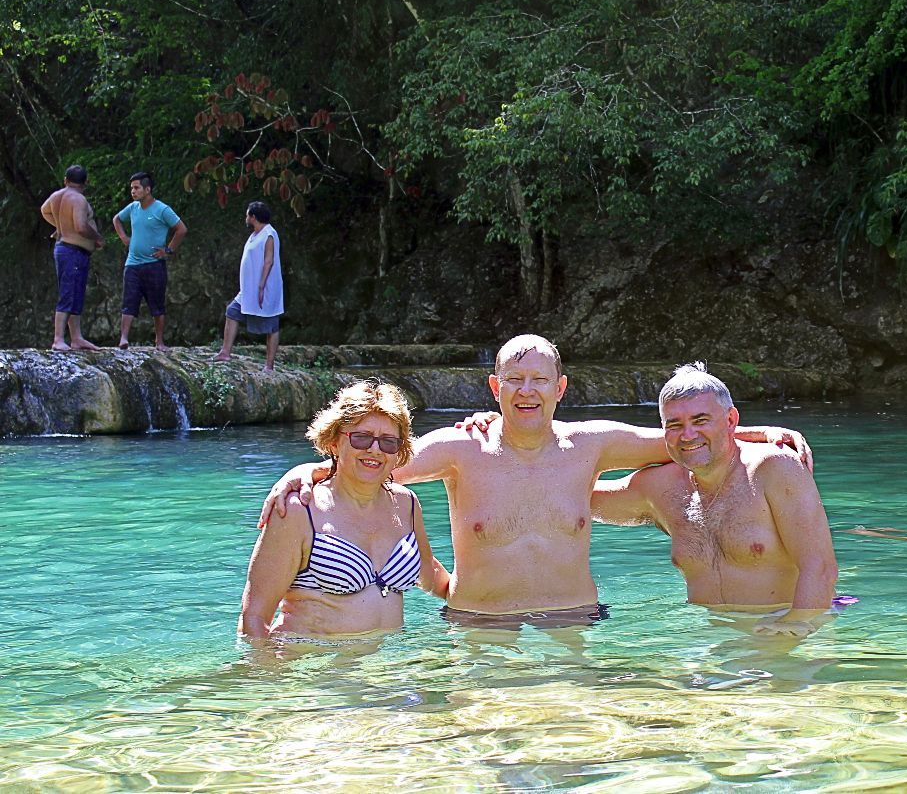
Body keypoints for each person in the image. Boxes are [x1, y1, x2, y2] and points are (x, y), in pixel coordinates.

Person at [260, 334, 810, 628]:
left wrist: (755, 431)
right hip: (479, 623)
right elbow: (376, 463)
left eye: (539, 380)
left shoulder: (593, 444)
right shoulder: (459, 448)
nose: (528, 391)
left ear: (560, 387)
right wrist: (306, 468)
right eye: (516, 380)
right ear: (495, 387)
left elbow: (682, 440)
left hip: (576, 619)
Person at [591, 363, 840, 638]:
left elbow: (820, 568)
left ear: (731, 420)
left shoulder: (774, 467)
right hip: (709, 640)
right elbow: (574, 497)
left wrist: (794, 627)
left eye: (701, 421)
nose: (687, 435)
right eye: (674, 425)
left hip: (785, 630)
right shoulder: (658, 488)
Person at [239, 381, 449, 640]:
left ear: (399, 451)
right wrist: (268, 677)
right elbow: (254, 618)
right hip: (312, 670)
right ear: (335, 442)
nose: (374, 449)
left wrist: (494, 596)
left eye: (388, 442)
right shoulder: (299, 510)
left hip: (388, 672)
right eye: (361, 437)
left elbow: (432, 576)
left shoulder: (406, 504)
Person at [112, 172, 187, 350]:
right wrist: (123, 237)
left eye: (136, 188)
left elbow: (181, 229)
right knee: (129, 301)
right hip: (132, 263)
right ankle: (123, 338)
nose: (133, 191)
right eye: (131, 188)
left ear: (147, 189)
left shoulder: (162, 209)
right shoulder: (132, 208)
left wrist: (168, 249)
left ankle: (159, 341)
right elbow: (116, 219)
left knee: (157, 303)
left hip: (154, 264)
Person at [212, 201, 283, 371]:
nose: (246, 218)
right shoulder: (255, 234)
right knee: (232, 311)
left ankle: (269, 365)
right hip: (248, 290)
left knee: (271, 324)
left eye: (247, 215)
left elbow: (268, 261)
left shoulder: (269, 234)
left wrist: (261, 287)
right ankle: (225, 352)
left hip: (265, 287)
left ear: (253, 217)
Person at [41, 164, 104, 351]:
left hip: (67, 248)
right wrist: (98, 238)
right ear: (84, 183)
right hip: (71, 250)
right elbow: (81, 226)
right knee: (68, 292)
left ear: (66, 180)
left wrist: (60, 225)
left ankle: (76, 338)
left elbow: (44, 210)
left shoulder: (56, 196)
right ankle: (58, 339)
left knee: (76, 293)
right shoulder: (78, 199)